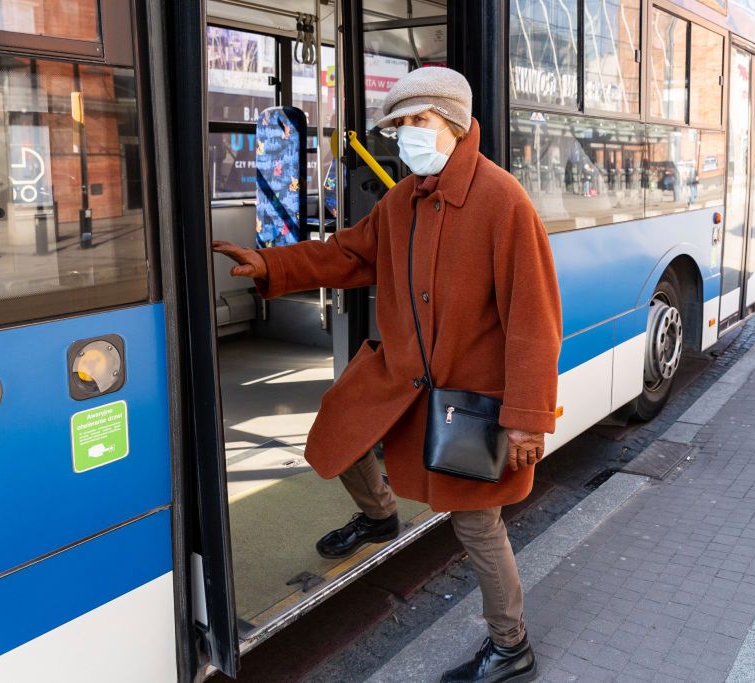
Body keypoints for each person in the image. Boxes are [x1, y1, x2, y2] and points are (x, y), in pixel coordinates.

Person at [213, 66, 562, 683]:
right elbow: (348, 253)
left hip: (468, 399)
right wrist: (269, 264)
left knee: (476, 525)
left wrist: (527, 420)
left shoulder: (503, 201)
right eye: (397, 126)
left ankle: (511, 647)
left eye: (417, 122)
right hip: (397, 375)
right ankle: (379, 516)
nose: (405, 137)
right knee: (341, 430)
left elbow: (535, 322)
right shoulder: (403, 199)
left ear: (453, 125)